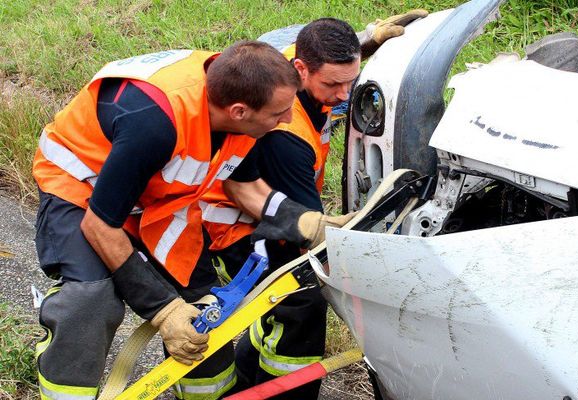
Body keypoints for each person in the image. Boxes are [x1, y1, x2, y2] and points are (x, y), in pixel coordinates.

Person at [32, 40, 350, 400]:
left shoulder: (237, 103)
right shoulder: (153, 125)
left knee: (202, 314)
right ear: (239, 111)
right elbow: (100, 226)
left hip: (155, 198)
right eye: (279, 113)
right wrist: (164, 311)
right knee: (90, 300)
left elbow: (243, 186)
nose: (287, 120)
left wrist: (309, 224)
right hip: (83, 190)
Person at [204, 11, 427, 399]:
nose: (344, 96)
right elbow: (305, 233)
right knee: (302, 299)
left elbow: (314, 58)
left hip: (271, 205)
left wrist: (366, 41)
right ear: (301, 70)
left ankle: (249, 373)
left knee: (278, 312)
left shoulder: (292, 67)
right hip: (236, 225)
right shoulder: (283, 139)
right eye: (333, 84)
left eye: (350, 81)